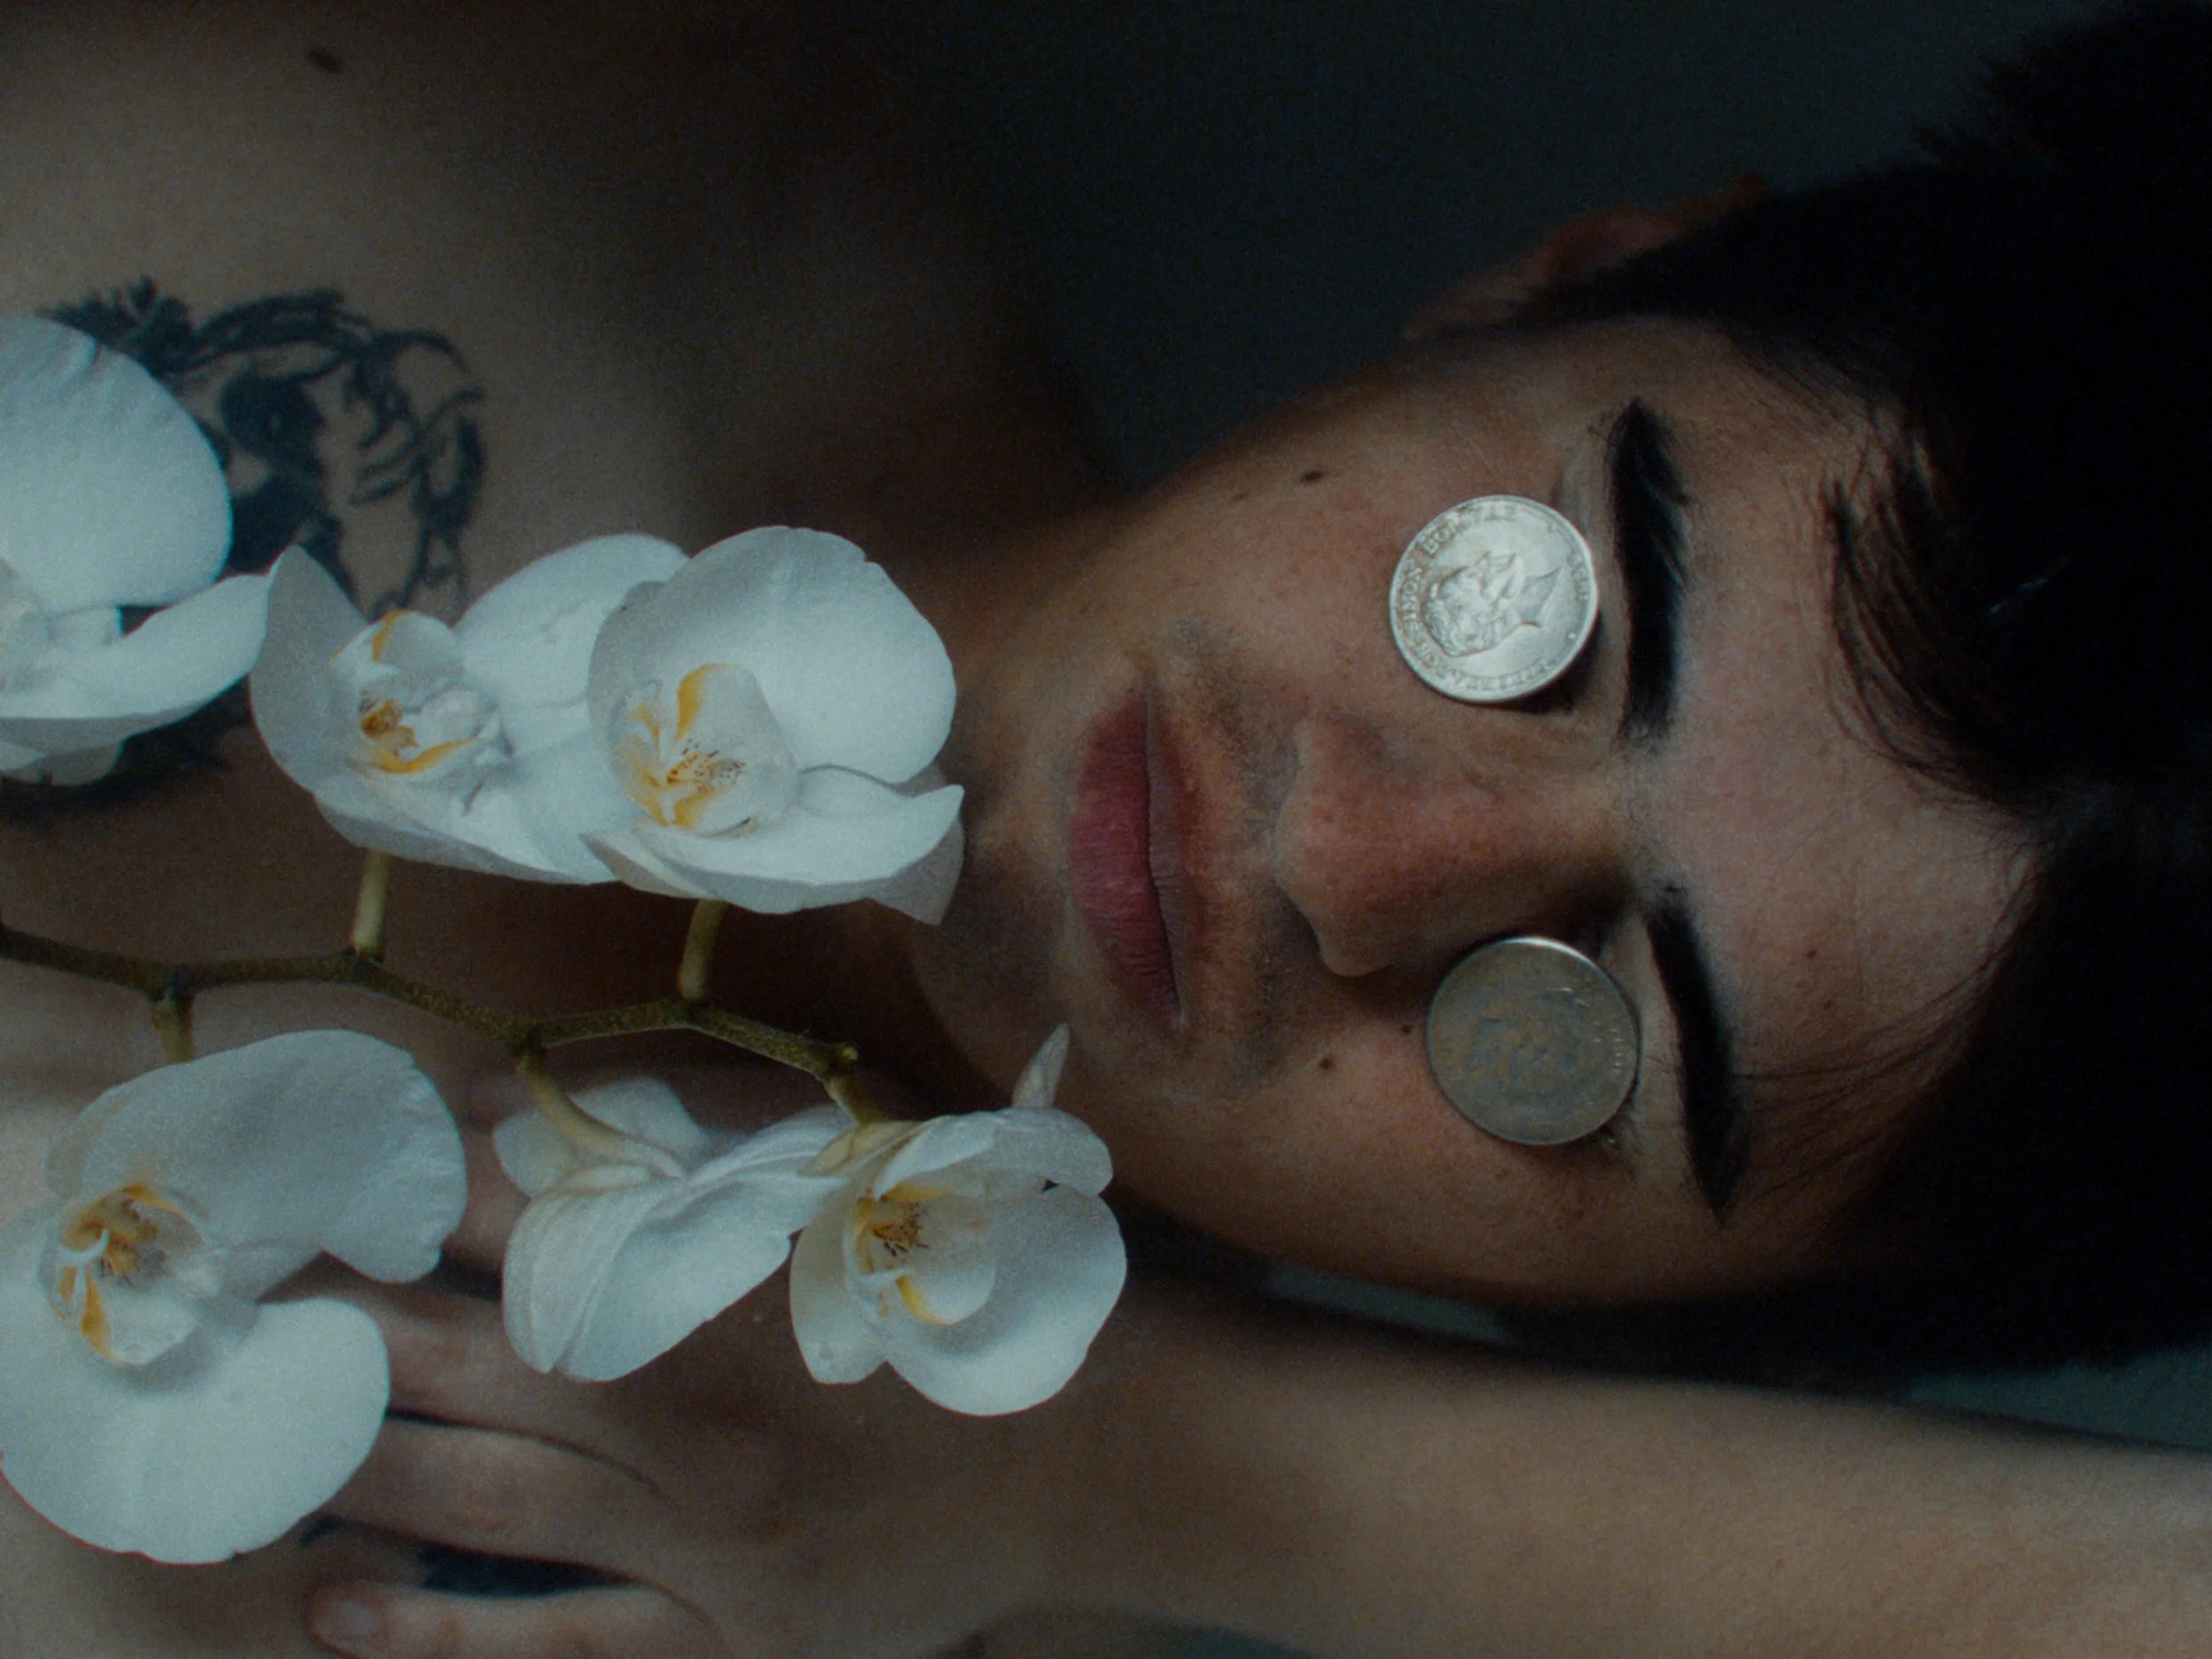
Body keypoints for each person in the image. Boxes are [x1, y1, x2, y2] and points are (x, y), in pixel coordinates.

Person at [4, 1, 2212, 1653]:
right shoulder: (509, 90)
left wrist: (1149, 1475)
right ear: (1571, 272)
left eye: (1582, 1030)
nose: (1352, 858)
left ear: (1629, 1341)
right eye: (1545, 608)